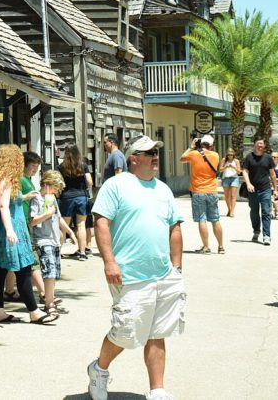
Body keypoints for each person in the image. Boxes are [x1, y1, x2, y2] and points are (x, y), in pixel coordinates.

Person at [87, 135, 184, 400]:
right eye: (148, 152)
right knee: (126, 333)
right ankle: (98, 369)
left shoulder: (163, 189)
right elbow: (101, 223)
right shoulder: (116, 185)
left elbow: (174, 227)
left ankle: (157, 389)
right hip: (127, 274)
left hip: (163, 274)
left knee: (158, 332)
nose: (155, 156)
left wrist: (176, 267)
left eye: (156, 152)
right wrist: (109, 262)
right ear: (133, 159)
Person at [0, 144, 58, 325]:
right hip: (6, 227)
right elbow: (3, 205)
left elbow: (5, 200)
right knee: (23, 269)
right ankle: (35, 312)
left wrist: (24, 197)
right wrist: (9, 230)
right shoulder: (4, 179)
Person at [3, 152, 46, 303]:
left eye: (37, 167)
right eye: (33, 166)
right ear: (25, 165)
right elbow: (11, 198)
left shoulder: (27, 179)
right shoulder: (20, 179)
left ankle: (9, 291)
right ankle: (44, 294)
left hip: (25, 220)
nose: (35, 169)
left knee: (15, 259)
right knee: (30, 258)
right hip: (20, 221)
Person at [29, 169, 70, 315]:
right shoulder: (37, 198)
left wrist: (70, 233)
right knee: (49, 272)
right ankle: (49, 303)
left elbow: (58, 218)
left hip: (54, 241)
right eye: (55, 187)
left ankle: (50, 299)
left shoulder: (51, 198)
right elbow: (33, 221)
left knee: (54, 273)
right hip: (42, 239)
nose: (57, 191)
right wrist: (47, 214)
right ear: (47, 184)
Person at [180, 134, 223, 254]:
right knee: (215, 219)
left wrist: (191, 146)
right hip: (212, 190)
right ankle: (220, 246)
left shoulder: (194, 154)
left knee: (202, 219)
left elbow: (182, 158)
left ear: (201, 143)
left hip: (198, 190)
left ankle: (206, 247)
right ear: (211, 145)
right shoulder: (216, 155)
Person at [60, 144, 94, 260]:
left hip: (67, 197)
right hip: (81, 196)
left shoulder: (61, 167)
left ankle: (57, 253)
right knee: (81, 225)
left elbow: (59, 183)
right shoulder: (83, 166)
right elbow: (90, 182)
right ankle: (82, 252)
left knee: (63, 226)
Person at [242, 139, 275, 244]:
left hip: (265, 188)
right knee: (254, 212)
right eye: (258, 143)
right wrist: (248, 184)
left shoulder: (268, 158)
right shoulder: (249, 157)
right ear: (254, 145)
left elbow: (272, 174)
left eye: (262, 143)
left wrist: (276, 188)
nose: (260, 145)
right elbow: (245, 171)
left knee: (266, 212)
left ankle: (266, 236)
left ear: (264, 145)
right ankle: (256, 231)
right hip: (253, 190)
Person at [219, 148, 241, 217]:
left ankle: (232, 211)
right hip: (226, 178)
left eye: (231, 155)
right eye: (228, 155)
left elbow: (239, 171)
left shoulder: (236, 161)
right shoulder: (224, 160)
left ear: (233, 154)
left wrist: (234, 167)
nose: (230, 156)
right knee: (226, 196)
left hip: (234, 178)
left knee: (233, 196)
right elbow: (220, 170)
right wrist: (226, 166)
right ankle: (229, 209)